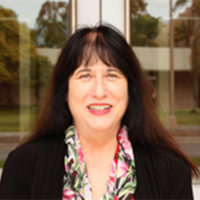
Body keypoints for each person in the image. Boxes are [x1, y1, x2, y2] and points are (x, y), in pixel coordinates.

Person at [0, 24, 199, 200]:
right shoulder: (24, 166)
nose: (99, 91)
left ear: (130, 90)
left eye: (111, 75)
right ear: (65, 91)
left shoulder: (170, 171)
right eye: (85, 75)